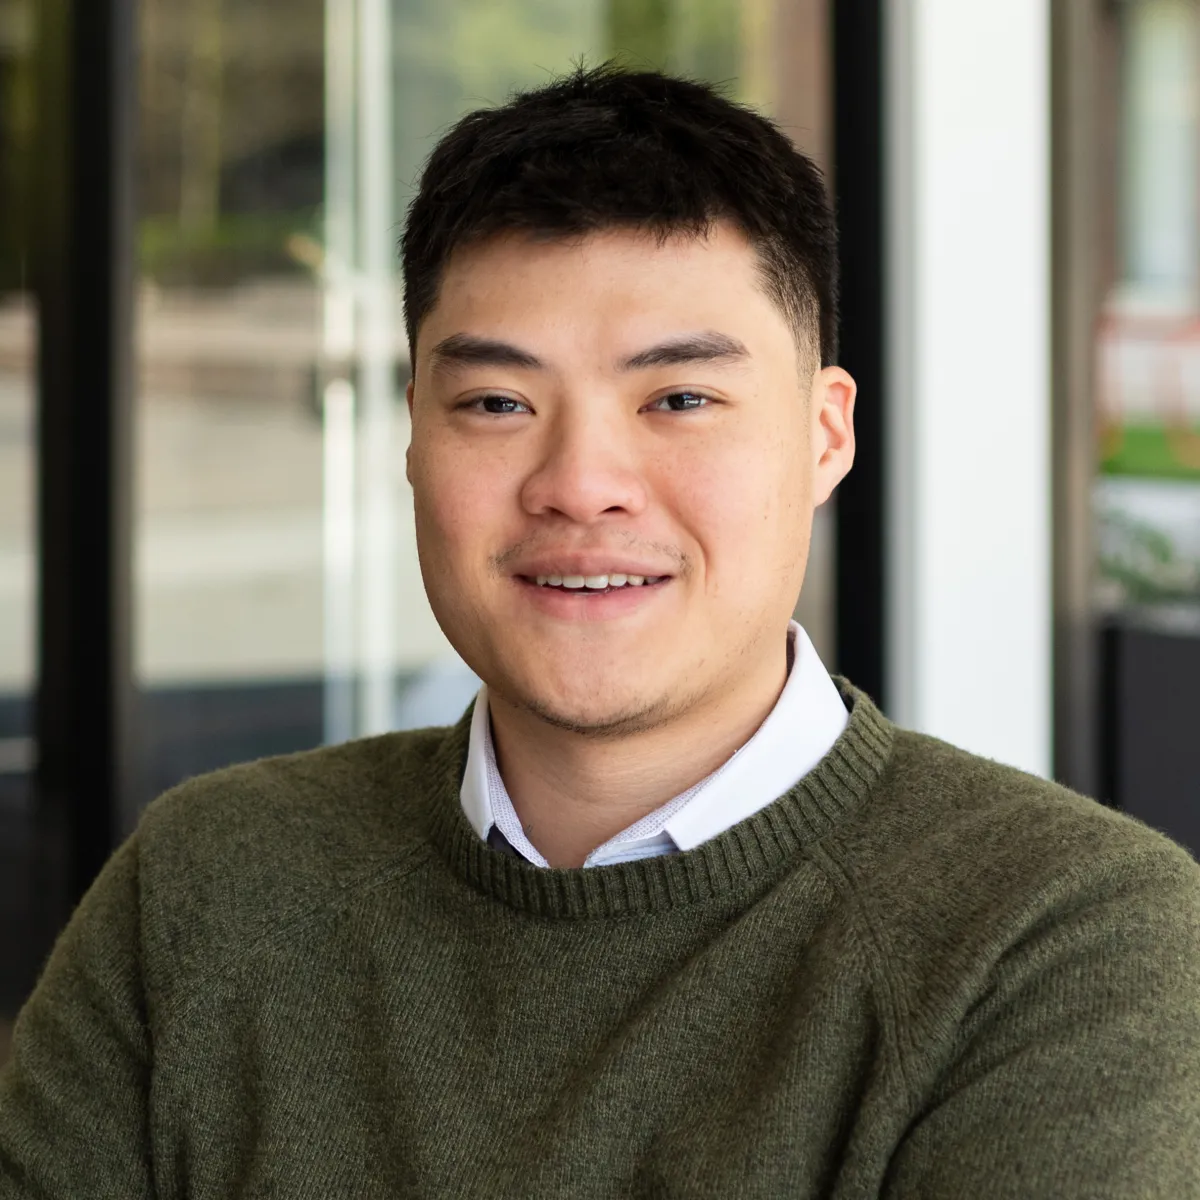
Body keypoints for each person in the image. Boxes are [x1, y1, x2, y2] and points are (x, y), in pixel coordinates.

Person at [2, 65, 1198, 1200]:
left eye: (679, 398)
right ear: (412, 434)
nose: (581, 484)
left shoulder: (1065, 942)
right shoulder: (207, 888)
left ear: (824, 436)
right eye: (497, 403)